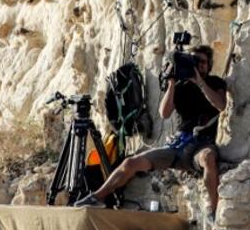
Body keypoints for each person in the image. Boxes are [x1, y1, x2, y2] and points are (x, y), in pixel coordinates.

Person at [76, 45, 228, 217]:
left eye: (202, 62)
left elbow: (221, 105)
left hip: (201, 144)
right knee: (130, 163)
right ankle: (97, 197)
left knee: (208, 158)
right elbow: (164, 113)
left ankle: (214, 211)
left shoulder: (215, 83)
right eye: (194, 61)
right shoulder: (181, 85)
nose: (198, 65)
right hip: (177, 145)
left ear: (209, 65)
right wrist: (172, 83)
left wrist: (200, 82)